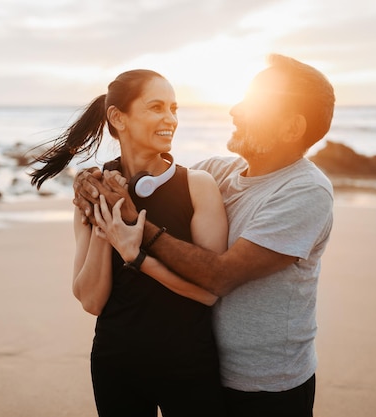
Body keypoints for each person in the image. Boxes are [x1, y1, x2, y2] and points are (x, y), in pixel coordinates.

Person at [75, 54, 336, 417]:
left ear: (291, 129)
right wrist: (91, 181)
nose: (235, 110)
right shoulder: (218, 172)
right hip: (206, 369)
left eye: (254, 104)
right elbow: (158, 180)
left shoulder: (305, 191)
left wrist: (137, 227)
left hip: (266, 386)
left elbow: (220, 276)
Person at [28, 69, 228, 416]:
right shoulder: (92, 191)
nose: (171, 120)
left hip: (190, 364)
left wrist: (136, 257)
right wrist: (108, 219)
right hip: (115, 363)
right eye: (156, 107)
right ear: (118, 118)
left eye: (174, 108)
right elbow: (91, 300)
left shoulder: (198, 187)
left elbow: (210, 292)